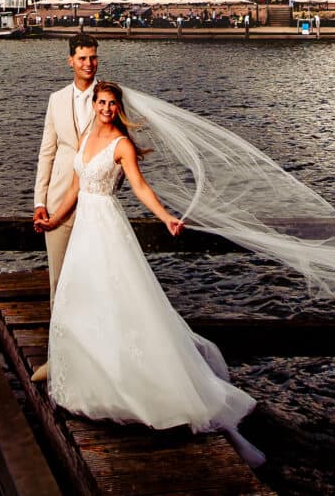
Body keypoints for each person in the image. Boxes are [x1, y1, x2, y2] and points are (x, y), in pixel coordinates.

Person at [44, 82, 263, 465]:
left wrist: (165, 217)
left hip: (107, 226)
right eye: (102, 103)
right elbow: (75, 189)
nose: (107, 109)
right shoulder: (86, 136)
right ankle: (89, 383)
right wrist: (53, 220)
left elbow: (141, 188)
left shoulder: (122, 146)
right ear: (94, 105)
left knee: (118, 302)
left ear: (118, 108)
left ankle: (139, 389)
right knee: (81, 301)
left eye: (113, 104)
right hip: (83, 229)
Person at [30, 36, 99, 381]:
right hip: (58, 200)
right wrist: (40, 201)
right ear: (70, 61)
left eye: (93, 58)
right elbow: (47, 151)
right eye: (83, 58)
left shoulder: (109, 98)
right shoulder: (56, 100)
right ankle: (57, 359)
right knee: (58, 281)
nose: (89, 63)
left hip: (95, 202)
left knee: (94, 281)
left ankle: (93, 359)